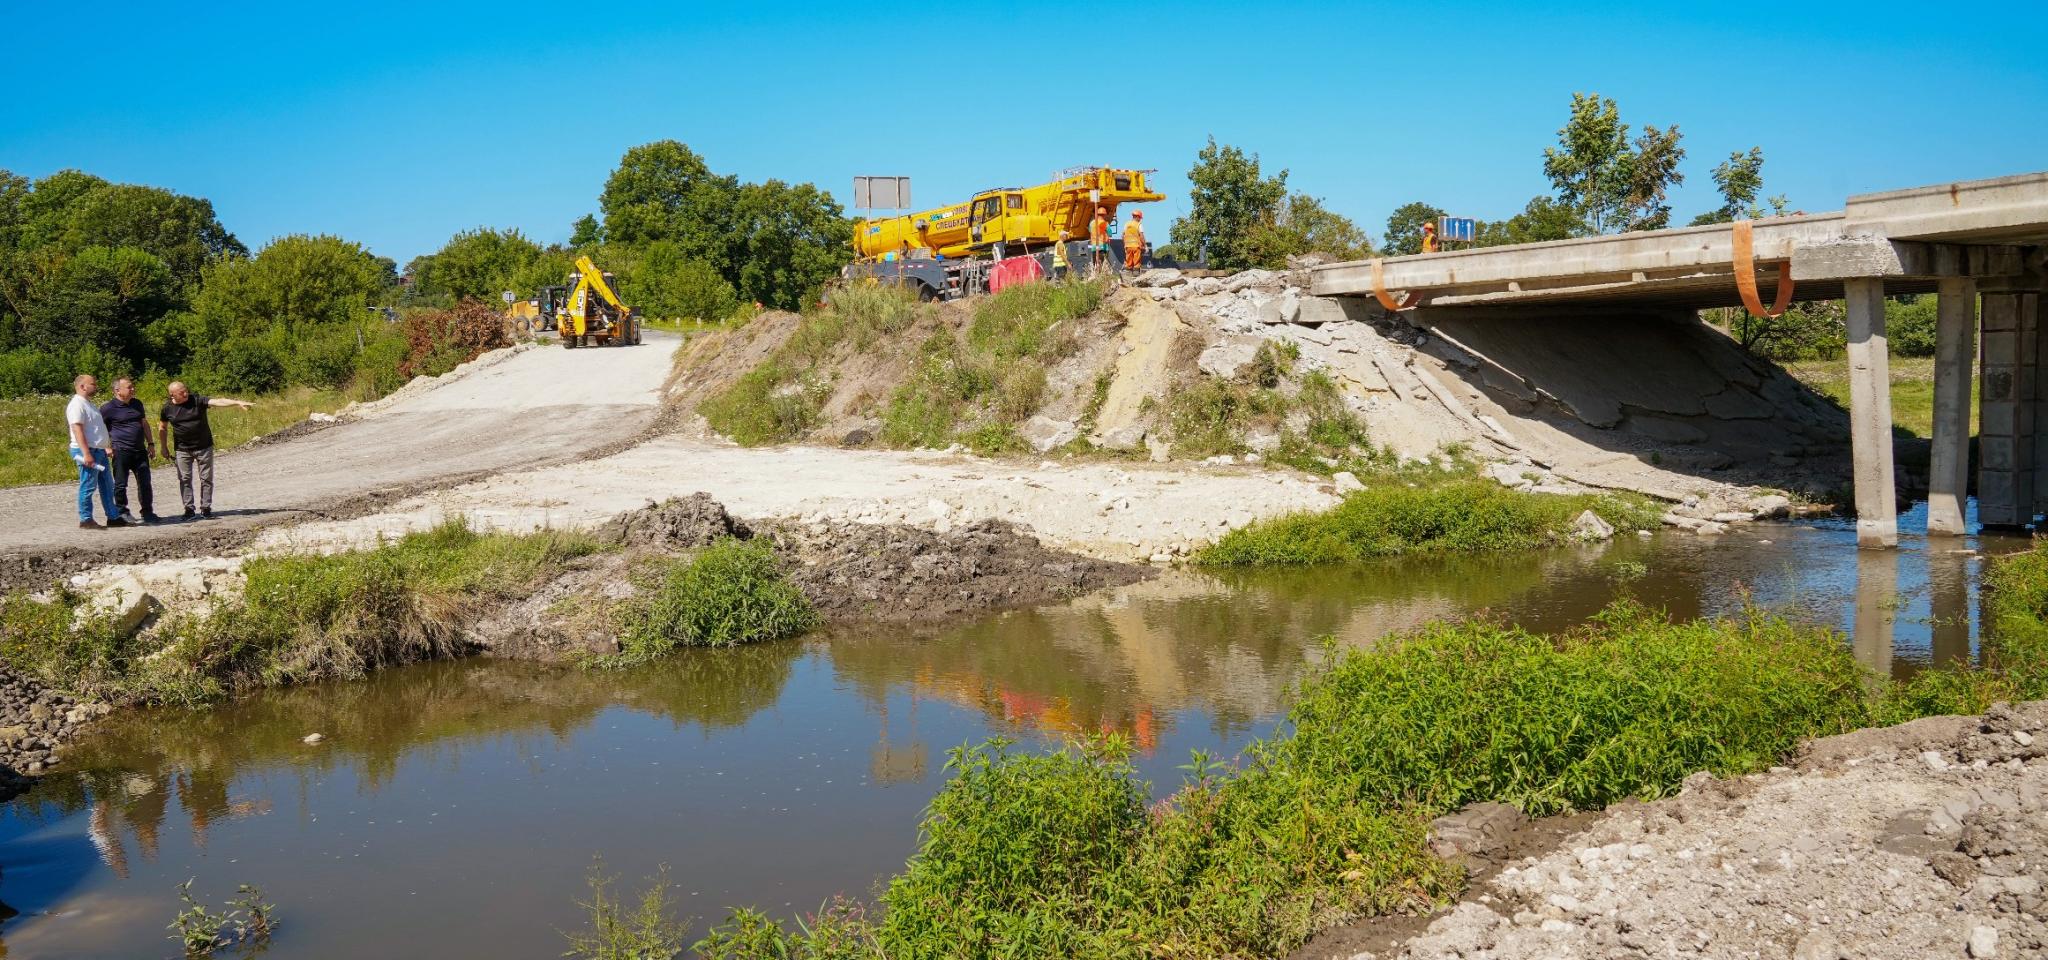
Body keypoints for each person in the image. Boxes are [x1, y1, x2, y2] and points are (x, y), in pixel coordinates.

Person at [157, 382, 254, 520]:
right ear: (172, 395)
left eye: (186, 390)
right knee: (184, 479)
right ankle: (189, 509)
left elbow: (218, 401)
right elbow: (163, 427)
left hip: (204, 447)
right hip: (182, 449)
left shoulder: (197, 400)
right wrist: (163, 447)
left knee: (206, 479)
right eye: (182, 392)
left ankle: (206, 508)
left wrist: (237, 403)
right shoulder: (167, 408)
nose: (186, 393)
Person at [98, 377, 161, 524]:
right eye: (129, 387)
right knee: (120, 483)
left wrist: (151, 443)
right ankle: (122, 511)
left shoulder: (137, 404)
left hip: (139, 450)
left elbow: (144, 423)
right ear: (117, 390)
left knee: (145, 482)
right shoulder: (108, 408)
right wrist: (107, 446)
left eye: (133, 387)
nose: (133, 389)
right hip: (121, 451)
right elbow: (101, 429)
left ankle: (147, 511)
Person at [66, 374, 124, 529]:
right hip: (88, 451)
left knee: (107, 484)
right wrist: (86, 453)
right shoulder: (77, 404)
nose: (95, 386)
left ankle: (113, 517)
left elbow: (94, 429)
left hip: (99, 451)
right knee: (88, 485)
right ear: (82, 386)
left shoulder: (89, 404)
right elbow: (77, 429)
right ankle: (85, 519)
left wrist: (103, 446)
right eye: (92, 384)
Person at [1090, 207, 1110, 273]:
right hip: (1102, 246)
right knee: (1102, 264)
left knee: (1095, 263)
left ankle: (1095, 276)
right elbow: (1110, 233)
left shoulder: (1092, 223)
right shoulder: (1105, 223)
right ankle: (1100, 278)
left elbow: (1091, 232)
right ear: (1104, 215)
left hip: (1094, 246)